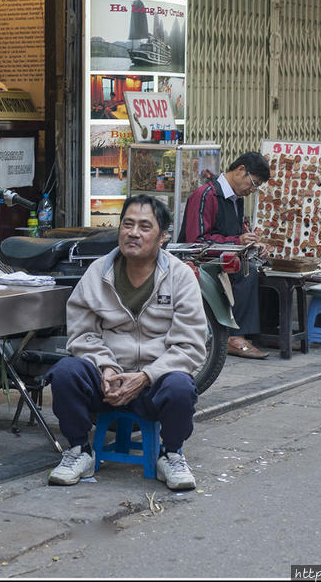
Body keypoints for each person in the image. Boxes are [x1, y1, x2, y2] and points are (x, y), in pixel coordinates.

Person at [45, 195, 207, 491]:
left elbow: (191, 346)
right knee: (66, 371)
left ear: (163, 237)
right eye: (127, 224)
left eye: (145, 226)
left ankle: (170, 454)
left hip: (154, 386)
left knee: (181, 387)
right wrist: (106, 367)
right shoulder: (97, 273)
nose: (134, 233)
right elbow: (81, 335)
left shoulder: (181, 277)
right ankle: (80, 451)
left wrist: (146, 377)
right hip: (107, 382)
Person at [179, 151, 271, 359]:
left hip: (226, 257)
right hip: (202, 261)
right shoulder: (205, 195)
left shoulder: (236, 199)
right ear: (240, 170)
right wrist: (236, 242)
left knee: (261, 267)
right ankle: (234, 335)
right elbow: (197, 241)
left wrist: (253, 244)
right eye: (253, 183)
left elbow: (238, 232)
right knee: (246, 272)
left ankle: (253, 332)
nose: (252, 190)